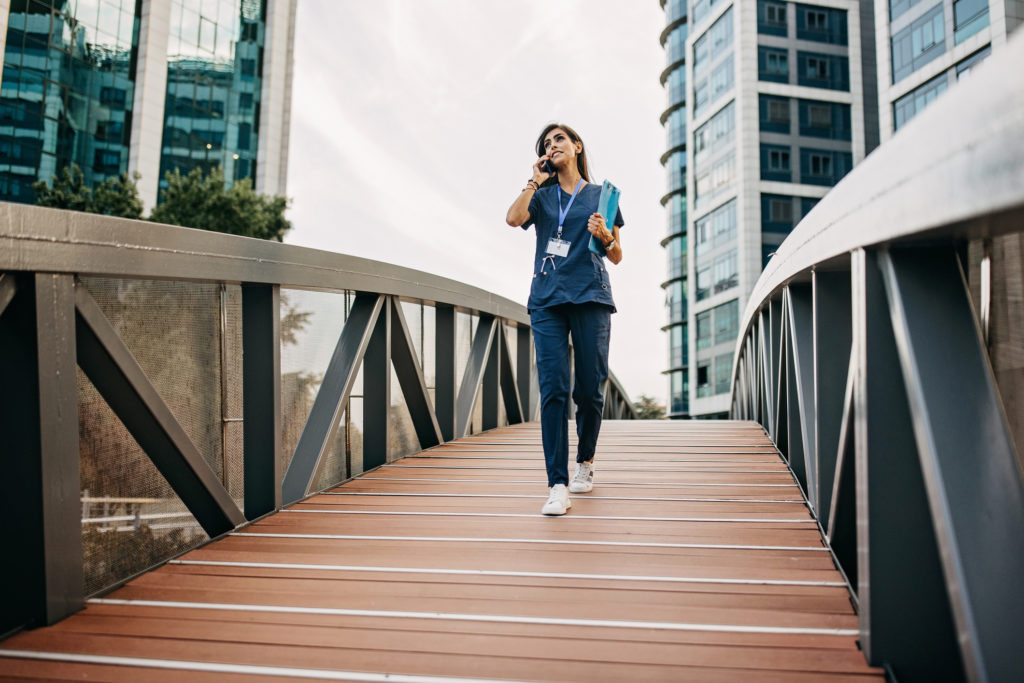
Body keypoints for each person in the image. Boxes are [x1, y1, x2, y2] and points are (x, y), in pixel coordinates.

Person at [504, 123, 624, 516]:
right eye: (545, 143)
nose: (552, 146)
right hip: (547, 300)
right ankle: (556, 483)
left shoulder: (601, 195)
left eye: (559, 140)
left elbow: (617, 254)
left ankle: (584, 462)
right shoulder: (541, 195)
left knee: (589, 389)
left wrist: (606, 235)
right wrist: (533, 182)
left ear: (577, 146)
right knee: (553, 389)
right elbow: (512, 218)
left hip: (590, 294)